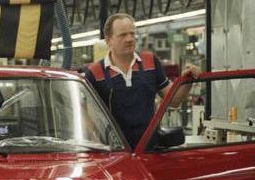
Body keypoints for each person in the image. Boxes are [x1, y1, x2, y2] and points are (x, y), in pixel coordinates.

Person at [83, 13, 200, 149]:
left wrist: (186, 80)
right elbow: (88, 120)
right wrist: (98, 146)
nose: (130, 39)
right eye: (123, 35)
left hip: (150, 149)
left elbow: (173, 100)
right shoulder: (95, 72)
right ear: (108, 41)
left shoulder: (150, 62)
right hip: (115, 152)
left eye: (132, 34)